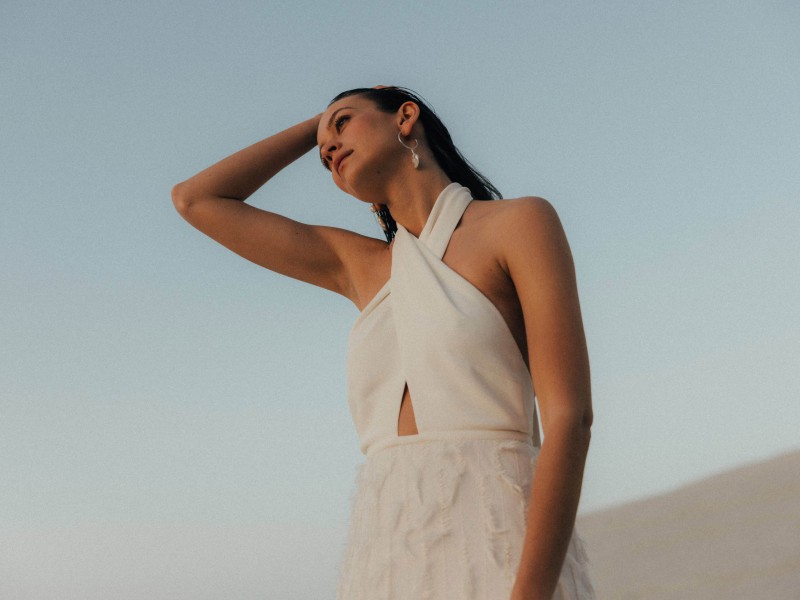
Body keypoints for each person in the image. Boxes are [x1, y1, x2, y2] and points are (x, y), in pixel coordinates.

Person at [172, 86, 595, 600]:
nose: (329, 151)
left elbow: (570, 419)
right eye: (323, 154)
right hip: (390, 546)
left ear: (406, 116)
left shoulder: (518, 223)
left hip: (501, 536)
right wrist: (320, 125)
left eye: (344, 125)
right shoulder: (360, 266)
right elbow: (196, 200)